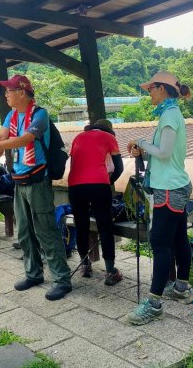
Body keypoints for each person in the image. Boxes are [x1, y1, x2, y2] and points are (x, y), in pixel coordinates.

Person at [0, 74, 72, 301]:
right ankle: (33, 273)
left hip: (37, 181)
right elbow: (2, 136)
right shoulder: (11, 115)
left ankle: (62, 279)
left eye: (9, 90)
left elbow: (25, 139)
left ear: (22, 93)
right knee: (25, 232)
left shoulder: (40, 114)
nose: (6, 94)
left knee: (45, 230)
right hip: (19, 180)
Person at [126, 71, 193, 325]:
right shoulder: (173, 113)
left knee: (159, 242)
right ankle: (181, 287)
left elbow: (164, 153)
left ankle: (154, 304)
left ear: (163, 89)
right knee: (178, 238)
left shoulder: (168, 115)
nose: (149, 93)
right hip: (176, 186)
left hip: (168, 189)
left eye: (151, 88)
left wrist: (142, 142)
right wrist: (143, 148)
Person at [68, 118, 123, 285]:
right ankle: (110, 271)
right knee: (105, 226)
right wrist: (108, 180)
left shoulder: (78, 137)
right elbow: (119, 167)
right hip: (99, 184)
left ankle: (85, 264)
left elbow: (74, 164)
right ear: (108, 130)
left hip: (75, 185)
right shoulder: (109, 138)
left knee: (81, 224)